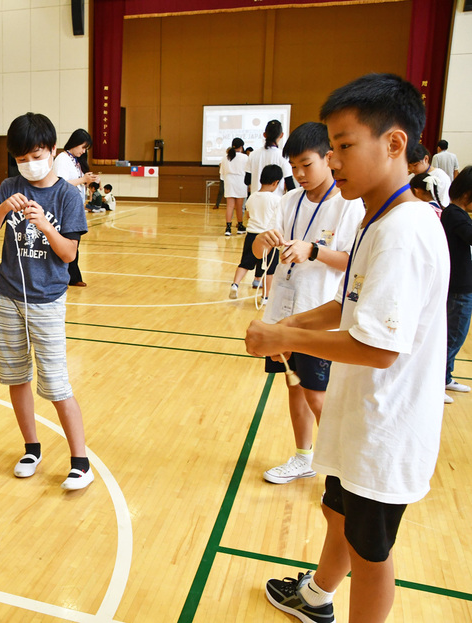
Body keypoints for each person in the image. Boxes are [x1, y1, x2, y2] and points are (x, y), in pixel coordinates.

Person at [246, 73, 447, 623]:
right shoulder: (378, 219)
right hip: (361, 415)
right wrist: (283, 323)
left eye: (343, 146)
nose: (333, 161)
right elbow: (345, 306)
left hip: (387, 426)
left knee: (371, 553)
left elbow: (378, 349)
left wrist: (283, 335)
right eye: (330, 148)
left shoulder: (404, 231)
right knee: (339, 515)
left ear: (395, 143)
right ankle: (316, 596)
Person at [0, 112, 93, 491]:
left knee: (56, 382)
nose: (29, 164)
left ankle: (81, 461)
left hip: (46, 302)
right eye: (21, 158)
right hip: (7, 297)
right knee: (15, 376)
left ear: (52, 150)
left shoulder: (67, 195)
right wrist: (1, 210)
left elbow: (69, 256)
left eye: (36, 154)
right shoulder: (10, 186)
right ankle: (31, 448)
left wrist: (45, 224)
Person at [251, 121, 364, 486]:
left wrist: (312, 250)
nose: (299, 174)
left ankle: (340, 471)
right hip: (283, 312)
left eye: (307, 164)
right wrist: (264, 241)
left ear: (328, 158)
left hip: (319, 314)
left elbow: (352, 260)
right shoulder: (288, 200)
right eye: (294, 167)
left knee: (318, 396)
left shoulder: (347, 205)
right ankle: (304, 457)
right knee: (294, 386)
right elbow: (256, 252)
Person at [439, 167, 472, 405]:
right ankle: (437, 381)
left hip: (461, 287)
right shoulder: (454, 215)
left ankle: (446, 377)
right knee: (453, 337)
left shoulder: (457, 214)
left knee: (455, 336)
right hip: (458, 289)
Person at [229, 164, 282, 300]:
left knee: (245, 263)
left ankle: (235, 284)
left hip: (251, 234)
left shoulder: (252, 197)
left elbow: (248, 215)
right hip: (269, 237)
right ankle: (265, 297)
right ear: (276, 182)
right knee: (269, 269)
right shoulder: (277, 199)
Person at [54, 129, 97, 286]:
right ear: (75, 143)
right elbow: (59, 184)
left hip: (75, 207)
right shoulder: (62, 159)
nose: (83, 151)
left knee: (74, 243)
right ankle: (70, 277)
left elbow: (76, 181)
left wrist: (88, 180)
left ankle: (72, 277)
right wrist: (82, 179)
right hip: (64, 207)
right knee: (70, 242)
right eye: (83, 147)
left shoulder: (76, 161)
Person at [245, 119, 295, 197]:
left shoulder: (253, 154)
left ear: (264, 134)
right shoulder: (284, 156)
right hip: (276, 201)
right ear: (281, 135)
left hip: (255, 201)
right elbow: (290, 184)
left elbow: (247, 181)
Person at [407, 143, 451, 208]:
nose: (411, 169)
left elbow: (443, 203)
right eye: (409, 166)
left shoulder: (440, 176)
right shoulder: (410, 178)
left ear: (426, 159)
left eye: (415, 165)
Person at [222, 138, 249, 236]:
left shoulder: (226, 157)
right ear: (241, 147)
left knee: (229, 206)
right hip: (240, 181)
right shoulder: (245, 157)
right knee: (239, 206)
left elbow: (222, 172)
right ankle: (240, 226)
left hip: (229, 182)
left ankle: (228, 228)